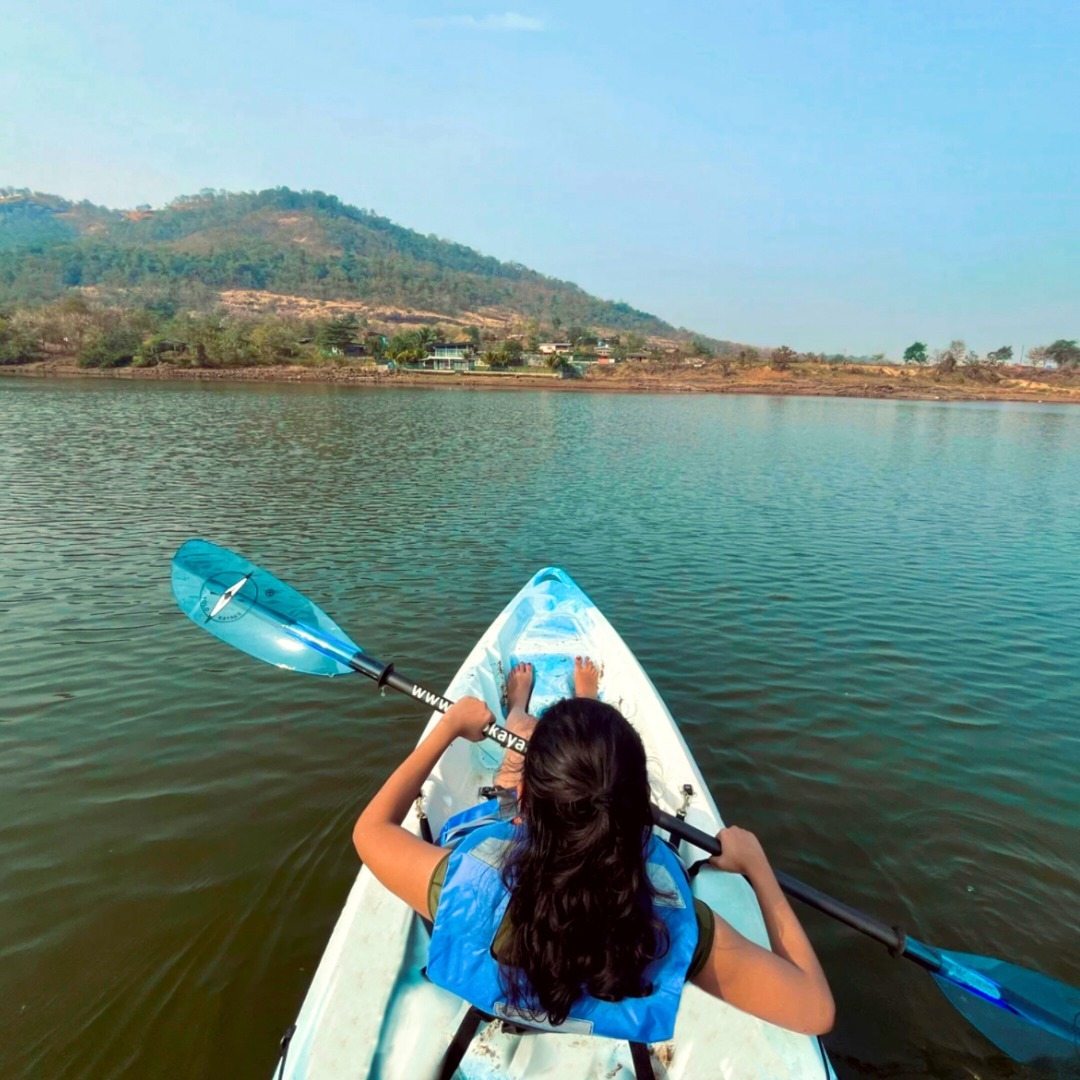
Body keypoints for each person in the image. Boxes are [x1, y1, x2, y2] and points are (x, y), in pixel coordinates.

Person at [353, 658, 834, 1046]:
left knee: (509, 771)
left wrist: (450, 725)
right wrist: (755, 867)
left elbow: (370, 830)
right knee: (568, 775)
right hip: (589, 816)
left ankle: (519, 722)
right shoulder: (673, 928)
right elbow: (816, 1009)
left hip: (527, 837)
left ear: (525, 804)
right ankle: (580, 709)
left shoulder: (461, 885)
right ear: (641, 810)